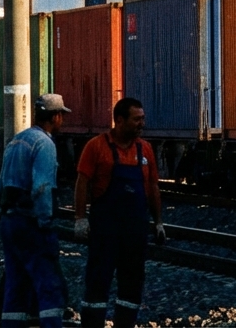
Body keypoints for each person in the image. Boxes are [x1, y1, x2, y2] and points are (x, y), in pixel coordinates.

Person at [73, 97, 165, 328]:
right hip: (106, 231)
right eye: (137, 119)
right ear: (120, 120)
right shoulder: (96, 146)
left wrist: (159, 222)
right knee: (98, 281)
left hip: (135, 231)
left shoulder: (145, 149)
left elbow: (153, 186)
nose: (142, 123)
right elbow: (82, 183)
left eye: (142, 118)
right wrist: (80, 219)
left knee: (132, 283)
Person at [0, 93, 71, 328]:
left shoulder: (17, 140)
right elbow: (42, 187)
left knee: (16, 285)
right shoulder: (44, 144)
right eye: (62, 117)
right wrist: (45, 222)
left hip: (9, 221)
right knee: (48, 284)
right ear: (56, 116)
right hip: (31, 223)